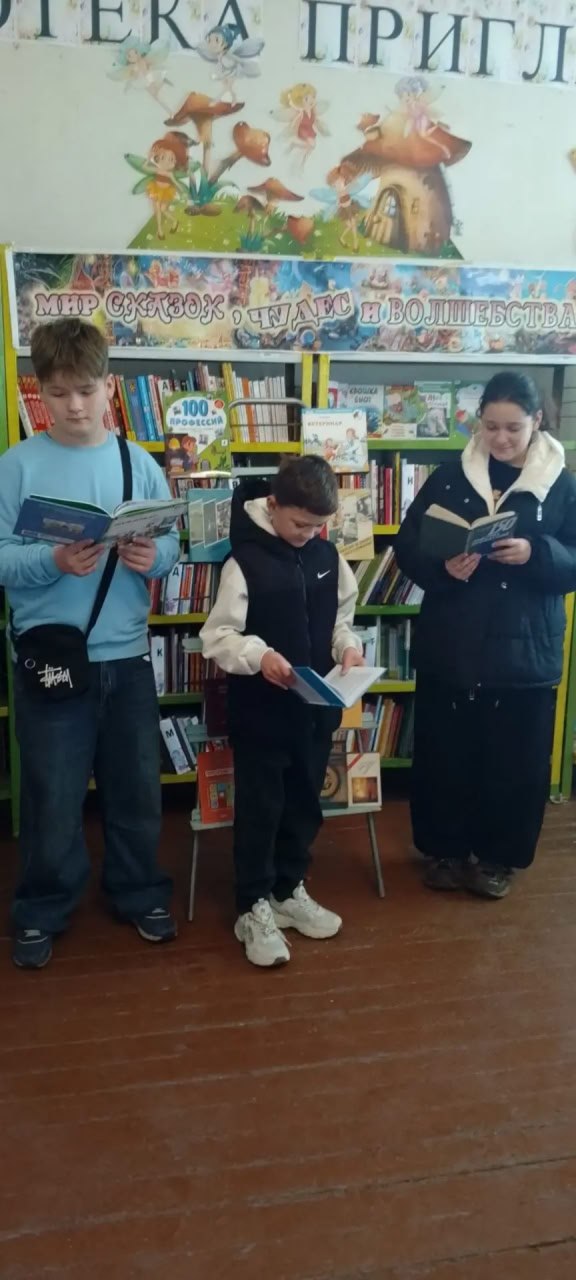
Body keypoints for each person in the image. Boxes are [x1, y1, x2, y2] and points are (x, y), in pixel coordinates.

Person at [0, 318, 180, 969]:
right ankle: (42, 907)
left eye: (86, 390)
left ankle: (139, 891)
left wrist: (153, 557)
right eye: (58, 393)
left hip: (126, 658)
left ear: (109, 385)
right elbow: (1, 557)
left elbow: (171, 545)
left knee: (136, 790)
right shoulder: (17, 466)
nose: (74, 406)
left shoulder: (139, 463)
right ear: (40, 393)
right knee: (52, 795)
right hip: (49, 658)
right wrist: (51, 561)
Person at [395, 372, 576, 900]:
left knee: (514, 762)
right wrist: (442, 566)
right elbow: (408, 544)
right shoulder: (451, 477)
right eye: (491, 426)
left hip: (525, 647)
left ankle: (498, 859)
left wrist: (536, 553)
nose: (500, 439)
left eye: (513, 428)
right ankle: (445, 851)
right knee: (445, 753)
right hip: (453, 640)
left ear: (537, 421)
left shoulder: (560, 484)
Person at [200, 457, 365, 967]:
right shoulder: (244, 561)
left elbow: (341, 618)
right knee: (262, 809)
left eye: (318, 526)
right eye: (299, 524)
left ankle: (288, 889)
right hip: (262, 716)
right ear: (272, 505)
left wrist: (348, 648)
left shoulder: (327, 555)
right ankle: (252, 904)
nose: (308, 534)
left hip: (315, 712)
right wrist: (259, 656)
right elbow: (218, 636)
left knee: (303, 806)